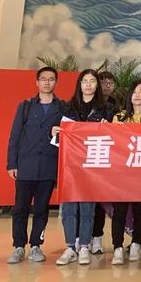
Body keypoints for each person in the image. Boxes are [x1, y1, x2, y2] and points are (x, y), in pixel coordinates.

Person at [6, 67, 66, 264]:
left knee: (41, 209)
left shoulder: (62, 108)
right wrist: (12, 163)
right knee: (20, 208)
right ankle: (18, 246)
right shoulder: (25, 107)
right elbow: (14, 136)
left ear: (56, 82)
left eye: (51, 79)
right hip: (26, 166)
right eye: (43, 79)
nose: (47, 82)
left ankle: (36, 246)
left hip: (48, 166)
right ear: (37, 82)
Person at [54, 69, 113, 266]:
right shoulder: (68, 107)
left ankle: (85, 246)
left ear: (97, 85)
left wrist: (108, 127)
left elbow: (113, 138)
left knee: (88, 208)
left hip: (91, 166)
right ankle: (71, 247)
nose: (88, 84)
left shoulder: (105, 109)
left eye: (92, 81)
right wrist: (54, 131)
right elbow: (57, 135)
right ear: (79, 84)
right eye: (84, 81)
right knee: (69, 208)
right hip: (70, 165)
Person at [110, 80, 141, 265]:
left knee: (139, 209)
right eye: (134, 91)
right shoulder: (119, 117)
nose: (137, 95)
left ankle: (137, 242)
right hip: (122, 172)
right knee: (119, 210)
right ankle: (117, 247)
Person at [91, 71, 121, 254]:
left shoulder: (117, 105)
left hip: (109, 157)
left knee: (103, 202)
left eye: (111, 82)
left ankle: (98, 238)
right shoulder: (88, 103)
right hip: (90, 155)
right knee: (89, 201)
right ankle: (83, 239)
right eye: (103, 82)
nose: (107, 86)